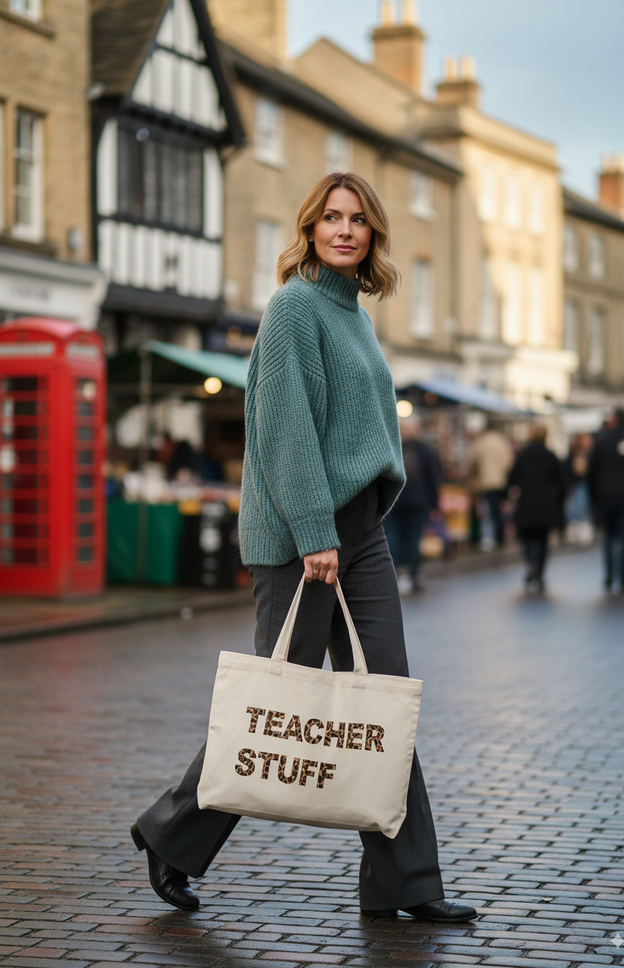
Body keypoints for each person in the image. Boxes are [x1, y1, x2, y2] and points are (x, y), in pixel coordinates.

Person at [130, 172, 477, 924]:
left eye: (358, 220)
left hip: (361, 534)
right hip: (303, 537)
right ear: (311, 229)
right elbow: (285, 429)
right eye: (331, 218)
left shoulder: (355, 315)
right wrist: (317, 533)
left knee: (383, 701)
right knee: (274, 706)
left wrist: (355, 525)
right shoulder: (293, 308)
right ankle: (170, 836)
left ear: (373, 233)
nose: (345, 230)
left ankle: (405, 885)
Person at [588, 406, 624, 594]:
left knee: (608, 536)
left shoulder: (602, 440)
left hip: (605, 496)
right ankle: (623, 576)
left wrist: (594, 496)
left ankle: (609, 574)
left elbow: (592, 471)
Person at [385, 415, 442, 593]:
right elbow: (433, 479)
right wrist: (434, 505)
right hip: (418, 501)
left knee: (393, 537)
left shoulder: (393, 447)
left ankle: (394, 573)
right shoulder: (425, 450)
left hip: (394, 501)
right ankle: (415, 573)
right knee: (415, 537)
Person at [508, 425, 565, 592]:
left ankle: (530, 562)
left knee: (526, 537)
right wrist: (558, 503)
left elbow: (512, 478)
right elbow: (561, 482)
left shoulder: (522, 456)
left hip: (526, 503)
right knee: (543, 540)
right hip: (546, 505)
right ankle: (539, 571)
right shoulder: (551, 456)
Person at [468, 419, 513, 548]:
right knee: (499, 509)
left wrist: (473, 475)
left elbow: (472, 461)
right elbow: (508, 461)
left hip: (486, 481)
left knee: (489, 510)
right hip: (501, 481)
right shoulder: (501, 441)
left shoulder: (481, 442)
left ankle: (490, 537)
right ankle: (500, 535)